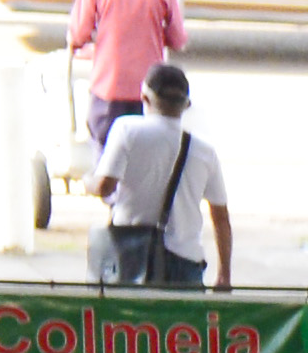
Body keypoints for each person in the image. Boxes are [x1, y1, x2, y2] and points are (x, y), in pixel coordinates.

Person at [75, 47, 227, 295]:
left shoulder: (127, 130)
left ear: (144, 98)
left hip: (129, 256)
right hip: (185, 264)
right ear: (186, 105)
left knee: (127, 332)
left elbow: (105, 187)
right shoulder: (204, 150)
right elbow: (220, 216)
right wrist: (224, 275)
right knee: (180, 333)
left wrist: (87, 182)